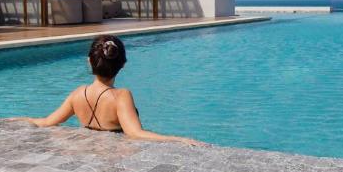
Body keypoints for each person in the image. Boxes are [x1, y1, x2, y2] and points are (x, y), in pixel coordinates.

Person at [15, 34, 206, 146]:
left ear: (90, 62)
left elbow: (47, 122)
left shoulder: (78, 94)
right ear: (123, 64)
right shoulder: (121, 96)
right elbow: (135, 133)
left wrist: (21, 120)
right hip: (116, 162)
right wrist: (178, 139)